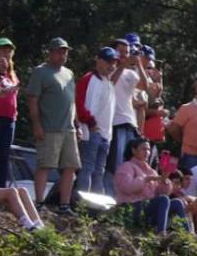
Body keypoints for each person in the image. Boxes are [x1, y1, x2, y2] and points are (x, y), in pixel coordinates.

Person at [27, 38, 80, 214]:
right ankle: (40, 203)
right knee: (45, 165)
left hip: (68, 128)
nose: (63, 55)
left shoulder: (69, 73)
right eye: (59, 51)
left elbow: (72, 101)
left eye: (65, 51)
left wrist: (77, 125)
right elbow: (33, 99)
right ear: (50, 52)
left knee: (70, 166)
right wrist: (37, 125)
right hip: (49, 127)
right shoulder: (41, 72)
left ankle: (64, 205)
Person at [114, 138, 187, 233]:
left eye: (148, 149)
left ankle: (189, 234)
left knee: (177, 202)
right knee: (163, 199)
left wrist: (164, 180)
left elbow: (162, 193)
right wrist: (146, 179)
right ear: (133, 150)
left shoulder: (151, 171)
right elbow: (127, 187)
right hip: (130, 209)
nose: (147, 152)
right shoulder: (126, 166)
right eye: (143, 149)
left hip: (146, 209)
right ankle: (161, 233)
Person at [75, 47, 119, 194]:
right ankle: (82, 203)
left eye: (114, 62)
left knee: (99, 171)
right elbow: (79, 104)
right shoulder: (89, 79)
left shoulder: (109, 83)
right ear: (99, 61)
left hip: (106, 134)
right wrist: (90, 122)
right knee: (87, 168)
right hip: (91, 131)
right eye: (108, 61)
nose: (111, 65)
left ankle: (93, 208)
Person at [110, 35, 149, 175]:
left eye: (126, 52)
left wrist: (139, 64)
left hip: (130, 123)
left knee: (128, 164)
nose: (124, 55)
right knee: (116, 163)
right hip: (115, 122)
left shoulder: (129, 73)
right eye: (120, 51)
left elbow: (145, 86)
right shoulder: (108, 69)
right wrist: (123, 64)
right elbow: (110, 84)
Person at [0, 38, 20, 188]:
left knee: (4, 155)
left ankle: (1, 187)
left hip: (9, 118)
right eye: (3, 50)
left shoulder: (12, 74)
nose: (7, 54)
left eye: (9, 51)